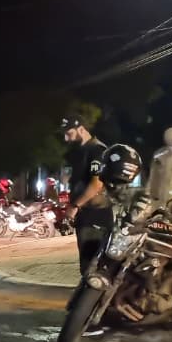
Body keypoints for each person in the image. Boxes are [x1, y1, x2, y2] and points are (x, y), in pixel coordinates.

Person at [60, 116, 112, 274]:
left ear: (81, 129)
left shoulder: (97, 150)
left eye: (68, 133)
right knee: (87, 265)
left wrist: (75, 206)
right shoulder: (82, 151)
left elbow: (97, 183)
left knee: (93, 268)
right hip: (86, 216)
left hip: (96, 216)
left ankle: (94, 299)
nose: (65, 138)